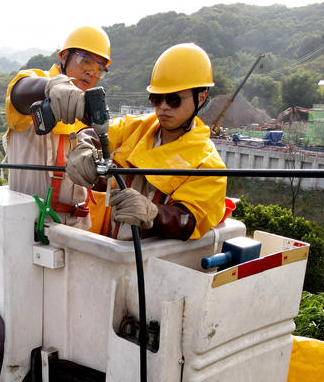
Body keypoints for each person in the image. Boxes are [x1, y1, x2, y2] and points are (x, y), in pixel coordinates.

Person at [66, 43, 227, 241]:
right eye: (157, 99)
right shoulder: (137, 127)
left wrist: (153, 213)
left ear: (201, 98)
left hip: (155, 260)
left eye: (174, 100)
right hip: (115, 249)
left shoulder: (208, 166)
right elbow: (96, 135)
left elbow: (188, 220)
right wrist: (84, 149)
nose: (164, 107)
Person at [4, 26, 111, 230]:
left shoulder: (89, 114)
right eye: (85, 61)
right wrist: (51, 89)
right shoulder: (36, 84)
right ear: (64, 57)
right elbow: (19, 92)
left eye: (99, 69)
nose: (91, 72)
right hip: (27, 225)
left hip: (75, 227)